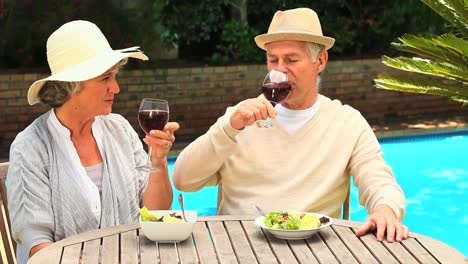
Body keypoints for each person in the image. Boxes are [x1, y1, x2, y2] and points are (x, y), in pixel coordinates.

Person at [173, 8, 409, 242]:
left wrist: (385, 209)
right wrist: (228, 129)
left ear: (321, 61)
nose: (279, 70)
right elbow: (184, 180)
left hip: (317, 252)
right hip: (240, 250)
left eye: (291, 60)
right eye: (272, 60)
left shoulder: (346, 122)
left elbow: (378, 179)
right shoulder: (238, 121)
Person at [7, 20, 179, 263]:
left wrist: (159, 160)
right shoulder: (30, 147)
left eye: (115, 77)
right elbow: (38, 244)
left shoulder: (118, 129)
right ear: (72, 85)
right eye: (106, 78)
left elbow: (154, 212)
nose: (116, 88)